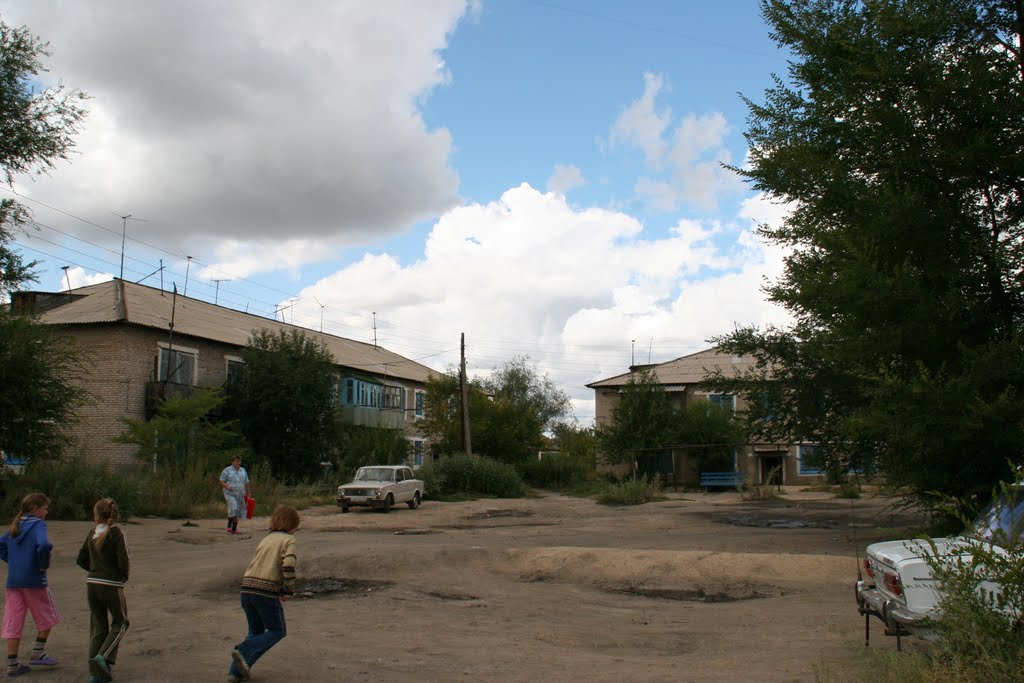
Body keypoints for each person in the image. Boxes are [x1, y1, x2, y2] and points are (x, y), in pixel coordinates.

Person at [227, 505, 299, 683]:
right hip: (265, 592)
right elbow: (289, 565)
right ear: (293, 524)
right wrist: (288, 590)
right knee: (277, 631)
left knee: (256, 631)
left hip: (246, 589)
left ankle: (236, 673)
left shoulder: (266, 539)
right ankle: (243, 649)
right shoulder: (289, 540)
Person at [0, 493, 60, 678]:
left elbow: (1, 545)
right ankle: (38, 652)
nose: (47, 512)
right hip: (34, 580)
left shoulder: (16, 525)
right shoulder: (38, 525)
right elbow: (44, 545)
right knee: (48, 614)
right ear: (35, 509)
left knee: (13, 619)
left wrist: (13, 561)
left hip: (13, 581)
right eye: (45, 508)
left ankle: (12, 664)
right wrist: (42, 564)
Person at [76, 498, 130, 683]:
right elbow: (123, 559)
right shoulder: (116, 533)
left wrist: (94, 571)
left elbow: (81, 558)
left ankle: (96, 674)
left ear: (96, 515)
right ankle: (103, 656)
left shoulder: (92, 533)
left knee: (98, 626)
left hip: (92, 583)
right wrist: (122, 576)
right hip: (111, 583)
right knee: (121, 622)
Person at [219, 456, 251, 534]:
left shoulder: (243, 470)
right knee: (234, 507)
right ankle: (233, 528)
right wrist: (227, 486)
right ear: (232, 462)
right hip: (230, 493)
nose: (238, 463)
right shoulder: (227, 470)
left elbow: (246, 482)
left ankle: (231, 526)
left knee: (238, 510)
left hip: (240, 493)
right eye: (236, 461)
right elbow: (221, 480)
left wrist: (248, 493)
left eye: (239, 461)